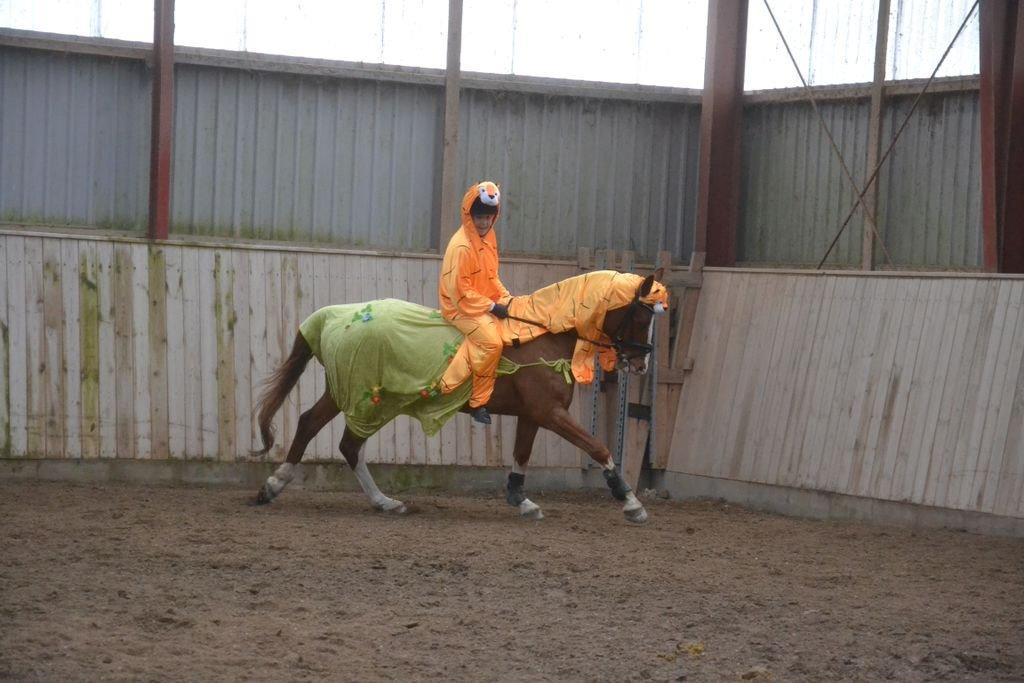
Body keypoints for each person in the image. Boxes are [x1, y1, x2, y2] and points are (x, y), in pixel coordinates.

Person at [437, 181, 512, 424]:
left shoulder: (489, 237)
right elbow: (460, 292)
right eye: (479, 217)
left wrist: (506, 297)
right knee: (492, 343)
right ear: (469, 215)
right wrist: (491, 306)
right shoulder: (461, 246)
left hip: (480, 300)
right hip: (459, 307)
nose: (483, 222)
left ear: (494, 217)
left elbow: (491, 277)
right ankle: (477, 402)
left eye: (488, 217)